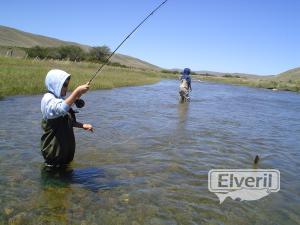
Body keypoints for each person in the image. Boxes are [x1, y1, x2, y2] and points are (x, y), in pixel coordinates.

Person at [41, 69, 93, 168]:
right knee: (53, 182)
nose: (66, 87)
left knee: (66, 180)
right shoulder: (47, 99)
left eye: (67, 85)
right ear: (55, 84)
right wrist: (77, 91)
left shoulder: (59, 100)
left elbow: (67, 120)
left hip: (64, 155)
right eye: (64, 85)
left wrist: (82, 125)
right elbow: (61, 109)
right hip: (54, 155)